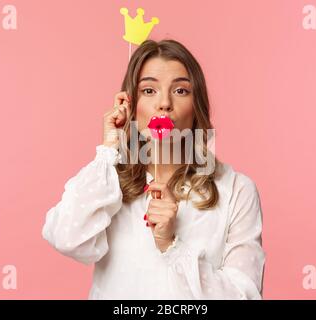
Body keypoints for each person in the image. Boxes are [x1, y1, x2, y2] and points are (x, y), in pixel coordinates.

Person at [42, 39, 265, 299]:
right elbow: (66, 238)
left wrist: (172, 246)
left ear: (197, 106)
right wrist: (109, 149)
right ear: (131, 106)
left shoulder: (237, 189)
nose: (164, 103)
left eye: (181, 91)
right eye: (149, 91)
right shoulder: (107, 183)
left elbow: (245, 295)